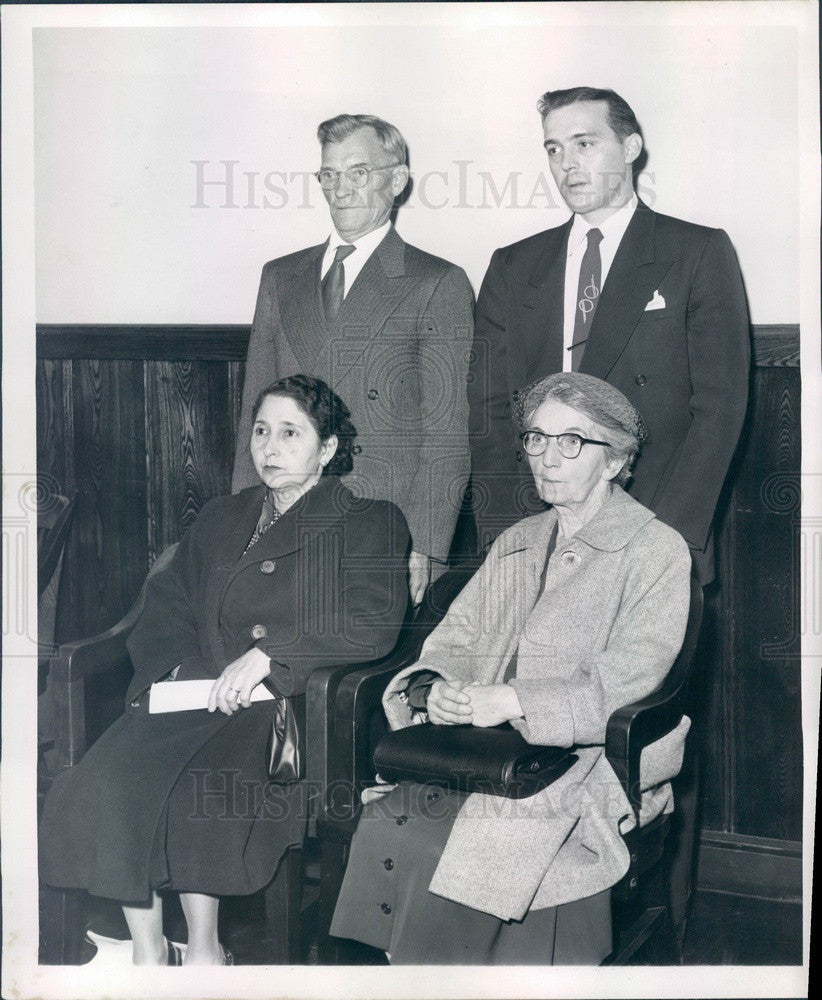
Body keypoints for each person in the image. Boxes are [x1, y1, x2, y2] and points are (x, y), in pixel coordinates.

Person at [39, 375, 409, 965]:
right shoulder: (222, 515)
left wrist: (273, 655)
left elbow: (373, 622)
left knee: (199, 795)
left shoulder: (367, 521)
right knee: (105, 781)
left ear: (330, 449)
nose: (271, 447)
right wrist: (181, 673)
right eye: (262, 431)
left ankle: (207, 951)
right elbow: (167, 605)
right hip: (195, 691)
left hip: (284, 709)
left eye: (292, 433)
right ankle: (149, 951)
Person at [330, 372, 692, 964]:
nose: (547, 458)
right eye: (536, 439)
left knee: (484, 843)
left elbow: (634, 678)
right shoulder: (519, 541)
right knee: (398, 817)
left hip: (595, 761)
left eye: (572, 441)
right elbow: (460, 638)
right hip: (486, 752)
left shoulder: (655, 550)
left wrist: (518, 700)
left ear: (615, 460)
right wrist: (435, 689)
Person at [468, 86, 750, 587]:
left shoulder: (696, 251)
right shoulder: (512, 266)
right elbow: (488, 411)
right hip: (536, 535)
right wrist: (504, 537)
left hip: (651, 526)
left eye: (584, 143)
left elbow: (719, 409)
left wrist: (664, 541)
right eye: (554, 149)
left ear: (631, 147)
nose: (567, 164)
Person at [233, 113, 474, 605]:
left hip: (379, 523)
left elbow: (447, 433)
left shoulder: (437, 282)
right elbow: (252, 419)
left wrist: (426, 545)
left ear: (397, 180)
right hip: (284, 513)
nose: (340, 188)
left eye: (358, 172)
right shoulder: (281, 277)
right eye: (329, 174)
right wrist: (243, 518)